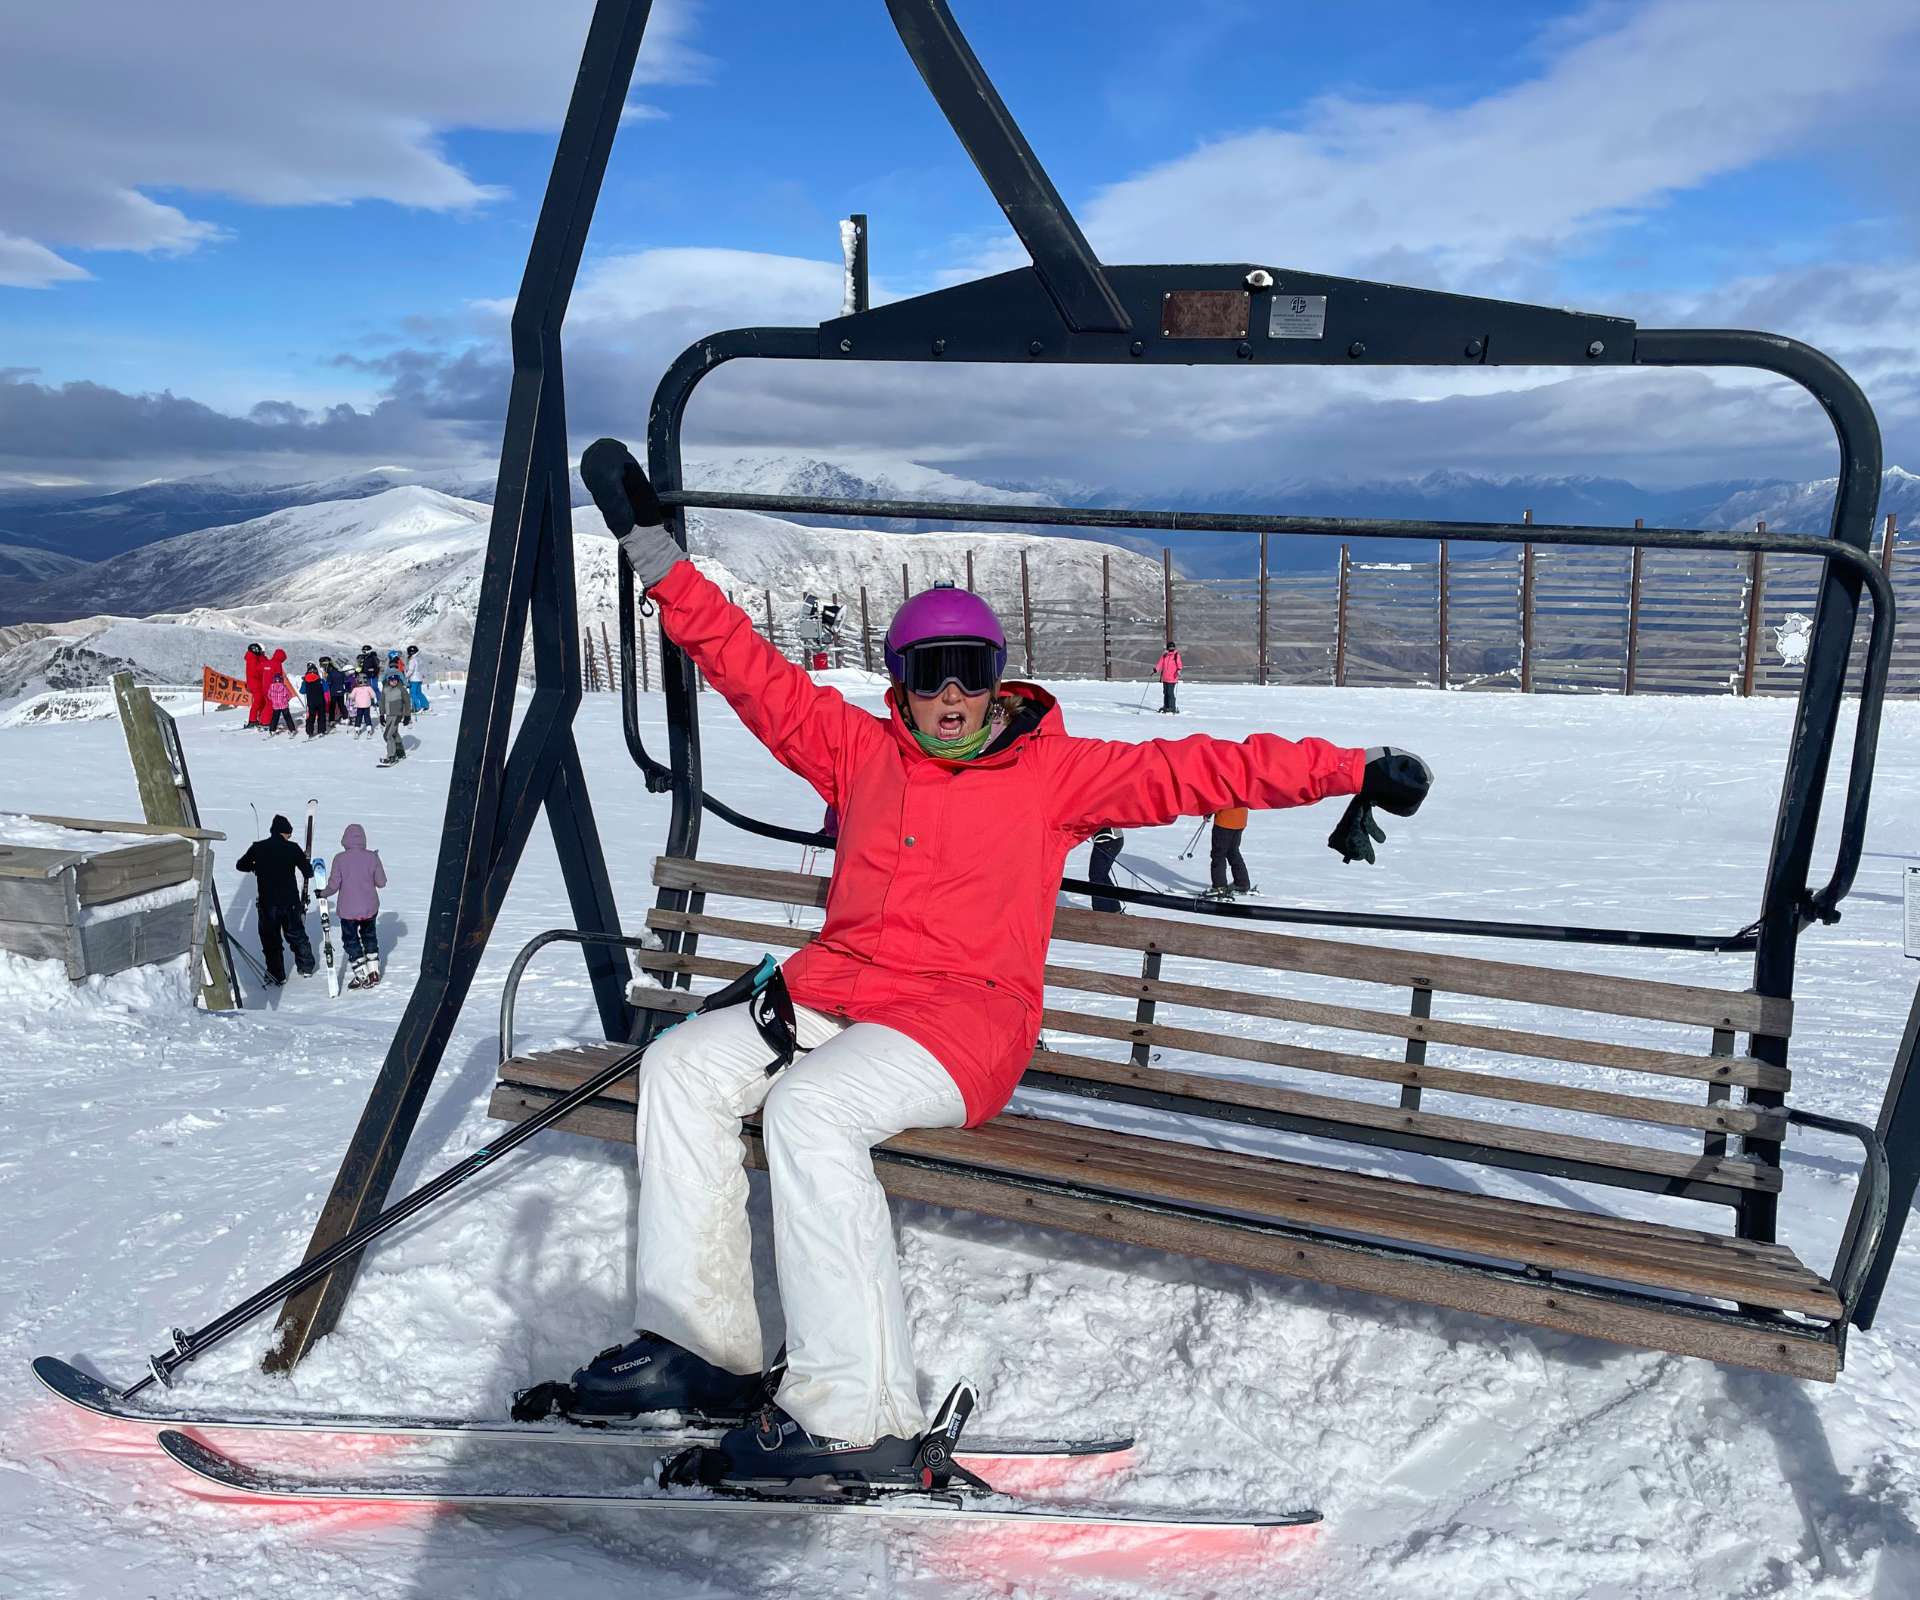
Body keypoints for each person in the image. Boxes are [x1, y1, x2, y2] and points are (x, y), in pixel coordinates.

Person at [526, 438, 1433, 1491]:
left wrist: (1349, 769)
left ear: (997, 678)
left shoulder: (1056, 776)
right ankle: (701, 1348)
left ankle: (853, 1413)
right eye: (926, 673)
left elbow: (1204, 765)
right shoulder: (856, 749)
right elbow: (745, 666)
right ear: (900, 684)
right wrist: (652, 550)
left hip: (962, 1023)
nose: (950, 696)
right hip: (837, 992)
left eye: (970, 672)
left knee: (809, 1113)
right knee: (683, 1067)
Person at [236, 814, 314, 985]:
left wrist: (257, 866)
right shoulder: (293, 848)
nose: (289, 837)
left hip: (267, 903)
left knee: (271, 939)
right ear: (284, 833)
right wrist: (306, 862)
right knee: (296, 935)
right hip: (290, 902)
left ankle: (276, 974)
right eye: (289, 834)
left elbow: (241, 865)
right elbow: (308, 872)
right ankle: (306, 967)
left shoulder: (258, 847)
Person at [317, 823, 386, 988]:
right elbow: (381, 882)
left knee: (351, 940)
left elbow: (334, 885)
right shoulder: (372, 857)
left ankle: (362, 974)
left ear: (345, 839)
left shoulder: (339, 858)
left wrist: (322, 893)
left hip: (348, 911)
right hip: (370, 908)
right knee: (369, 936)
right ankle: (374, 971)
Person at [1208, 806, 1252, 899]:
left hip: (1225, 820)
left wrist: (1208, 811)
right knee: (1233, 852)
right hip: (1240, 818)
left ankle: (1219, 887)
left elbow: (1217, 798)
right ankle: (1242, 883)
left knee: (1218, 854)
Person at [377, 666, 412, 766]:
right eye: (392, 680)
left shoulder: (401, 689)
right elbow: (382, 702)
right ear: (388, 680)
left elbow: (407, 703)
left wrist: (407, 716)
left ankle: (391, 756)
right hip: (388, 715)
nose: (394, 682)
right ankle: (400, 752)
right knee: (394, 734)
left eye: (395, 679)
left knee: (387, 735)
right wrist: (381, 715)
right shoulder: (385, 689)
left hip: (397, 714)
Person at [1087, 825, 1124, 913]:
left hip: (1108, 841)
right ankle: (1114, 909)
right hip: (1111, 841)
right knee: (1102, 876)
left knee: (1096, 877)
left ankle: (1101, 912)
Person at [244, 642, 270, 729]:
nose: (263, 653)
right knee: (258, 702)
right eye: (262, 652)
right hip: (256, 683)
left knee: (261, 701)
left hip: (256, 683)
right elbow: (256, 672)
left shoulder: (254, 658)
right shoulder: (252, 659)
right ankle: (252, 720)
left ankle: (260, 718)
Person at [265, 667, 295, 736]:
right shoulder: (284, 687)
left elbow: (269, 695)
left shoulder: (271, 687)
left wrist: (273, 699)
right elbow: (289, 695)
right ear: (281, 680)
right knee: (288, 718)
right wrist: (286, 700)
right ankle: (292, 729)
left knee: (274, 718)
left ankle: (272, 730)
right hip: (284, 705)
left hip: (276, 706)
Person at [1157, 640, 1183, 714]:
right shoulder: (1164, 655)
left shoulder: (1176, 655)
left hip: (1172, 678)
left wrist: (1178, 670)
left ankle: (1172, 707)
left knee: (1170, 692)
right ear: (1168, 648)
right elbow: (1160, 663)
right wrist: (1156, 669)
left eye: (1172, 647)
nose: (1171, 649)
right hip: (1165, 677)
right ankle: (1166, 706)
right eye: (1170, 647)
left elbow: (1179, 664)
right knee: (1165, 692)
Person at [405, 645, 430, 714]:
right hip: (419, 678)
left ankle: (417, 708)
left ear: (411, 652)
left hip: (413, 679)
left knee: (413, 693)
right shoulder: (419, 659)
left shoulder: (412, 660)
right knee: (419, 693)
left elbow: (411, 670)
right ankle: (425, 706)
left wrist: (405, 677)